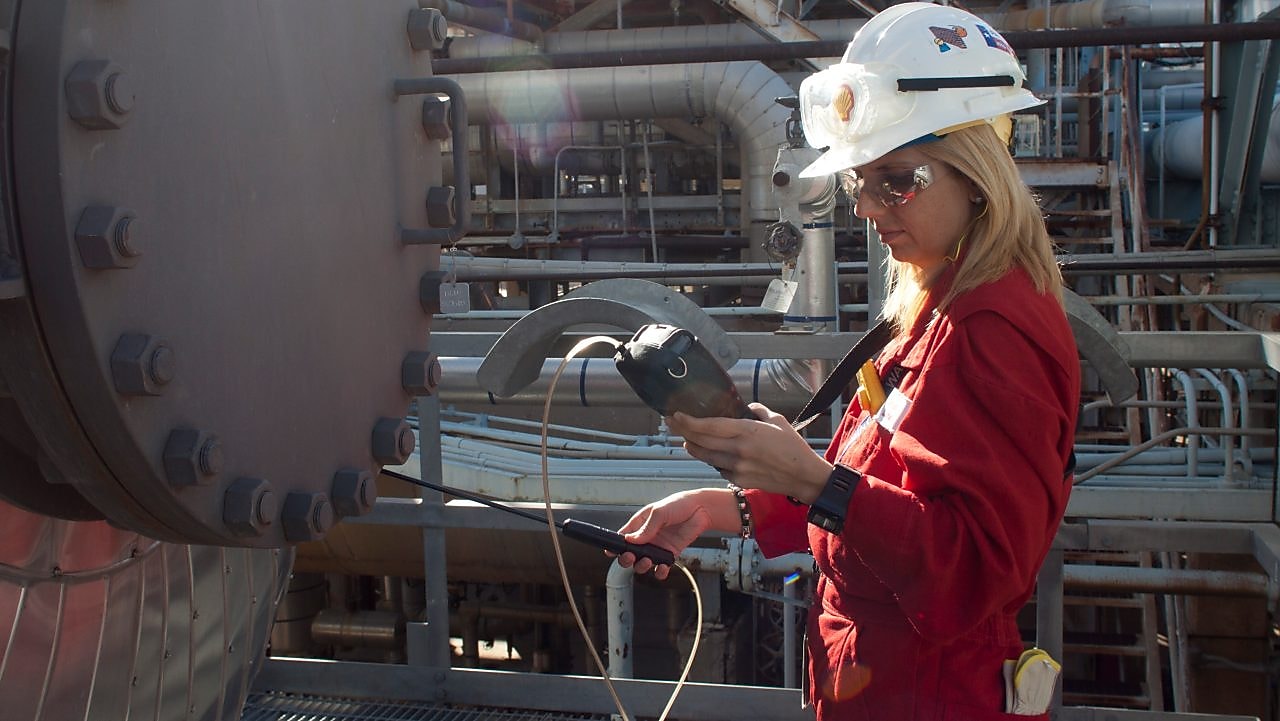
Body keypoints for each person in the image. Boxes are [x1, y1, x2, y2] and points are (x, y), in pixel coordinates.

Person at [613, 3, 1081, 719]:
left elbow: (974, 571)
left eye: (897, 180)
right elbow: (871, 492)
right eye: (860, 182)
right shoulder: (937, 307)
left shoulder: (995, 328)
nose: (867, 207)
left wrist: (809, 476)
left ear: (976, 171)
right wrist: (721, 508)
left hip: (930, 696)